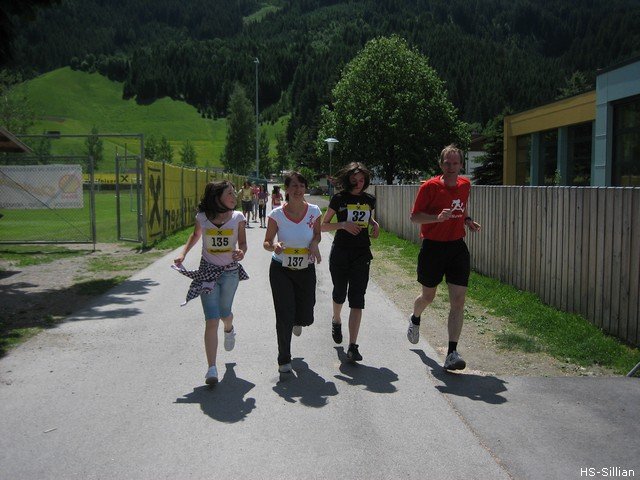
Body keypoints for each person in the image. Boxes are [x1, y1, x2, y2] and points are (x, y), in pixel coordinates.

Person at [407, 144, 481, 371]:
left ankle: (451, 353)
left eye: (455, 163)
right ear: (441, 164)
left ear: (461, 165)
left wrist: (467, 220)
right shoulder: (429, 187)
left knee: (458, 301)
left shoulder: (465, 185)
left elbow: (461, 208)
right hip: (433, 248)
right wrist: (437, 219)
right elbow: (415, 217)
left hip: (457, 247)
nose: (451, 167)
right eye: (447, 163)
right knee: (428, 297)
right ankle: (415, 317)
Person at [173, 180, 249, 385]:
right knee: (212, 319)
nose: (234, 196)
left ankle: (229, 328)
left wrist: (241, 252)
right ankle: (211, 368)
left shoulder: (238, 217)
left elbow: (243, 243)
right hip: (207, 273)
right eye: (229, 193)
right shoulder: (203, 217)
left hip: (230, 273)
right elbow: (196, 235)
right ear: (217, 197)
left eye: (234, 193)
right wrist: (183, 253)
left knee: (225, 314)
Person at [263, 172, 322, 373]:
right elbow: (266, 242)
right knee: (283, 313)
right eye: (294, 186)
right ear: (286, 189)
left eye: (302, 186)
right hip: (281, 269)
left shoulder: (314, 211)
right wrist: (274, 246)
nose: (298, 190)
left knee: (306, 314)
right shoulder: (276, 214)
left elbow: (317, 235)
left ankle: (298, 320)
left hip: (306, 268)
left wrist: (314, 244)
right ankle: (284, 358)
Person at [321, 162, 379, 363]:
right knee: (339, 292)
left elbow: (367, 218)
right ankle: (336, 319)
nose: (358, 183)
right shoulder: (339, 198)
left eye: (362, 180)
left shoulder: (369, 200)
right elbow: (323, 226)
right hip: (341, 252)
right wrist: (343, 224)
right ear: (348, 180)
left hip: (361, 253)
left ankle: (353, 346)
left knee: (357, 299)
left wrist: (374, 224)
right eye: (355, 180)